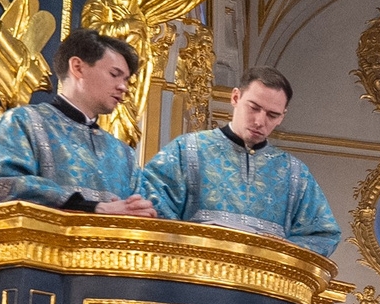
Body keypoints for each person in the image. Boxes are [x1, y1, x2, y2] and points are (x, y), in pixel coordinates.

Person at [136, 67, 341, 253]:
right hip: (195, 275)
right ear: (235, 98)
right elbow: (151, 202)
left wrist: (286, 249)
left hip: (263, 285)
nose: (260, 121)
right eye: (254, 108)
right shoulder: (188, 150)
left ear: (282, 117)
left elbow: (324, 234)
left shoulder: (295, 173)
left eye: (272, 115)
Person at [0, 31, 155, 213]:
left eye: (126, 80)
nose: (124, 87)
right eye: (115, 74)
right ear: (78, 67)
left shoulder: (123, 153)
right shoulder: (22, 123)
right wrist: (92, 207)